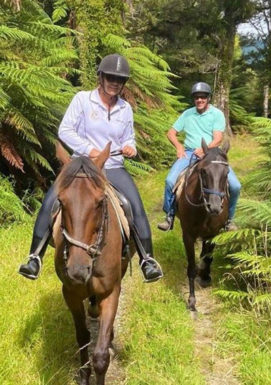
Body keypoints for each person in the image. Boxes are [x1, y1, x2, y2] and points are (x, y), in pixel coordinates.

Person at [19, 53, 163, 282]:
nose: (114, 82)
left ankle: (147, 259)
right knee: (51, 201)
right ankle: (35, 256)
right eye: (110, 77)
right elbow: (65, 131)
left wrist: (129, 147)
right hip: (82, 166)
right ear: (101, 77)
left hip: (113, 165)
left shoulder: (125, 108)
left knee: (134, 206)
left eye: (119, 79)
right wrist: (90, 150)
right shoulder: (82, 100)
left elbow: (129, 138)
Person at [157, 81, 241, 231]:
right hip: (189, 152)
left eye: (203, 97)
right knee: (170, 181)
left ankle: (229, 219)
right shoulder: (187, 114)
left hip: (212, 153)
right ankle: (169, 216)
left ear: (208, 98)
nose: (199, 100)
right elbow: (171, 133)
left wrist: (205, 150)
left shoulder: (217, 114)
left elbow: (218, 138)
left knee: (235, 186)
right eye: (196, 97)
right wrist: (179, 146)